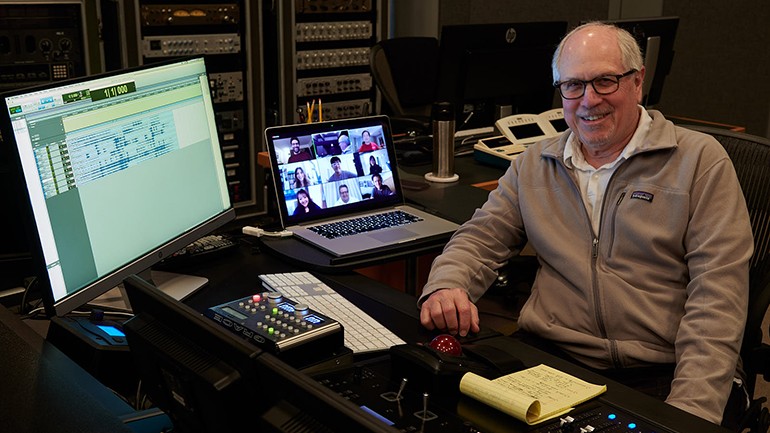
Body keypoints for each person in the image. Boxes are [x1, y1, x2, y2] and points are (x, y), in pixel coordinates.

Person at [418, 22, 752, 429]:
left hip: (662, 370)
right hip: (552, 360)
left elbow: (718, 300)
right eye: (573, 86)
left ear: (637, 82)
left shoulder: (700, 161)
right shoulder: (534, 163)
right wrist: (449, 283)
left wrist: (689, 413)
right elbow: (481, 237)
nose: (588, 100)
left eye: (605, 81)